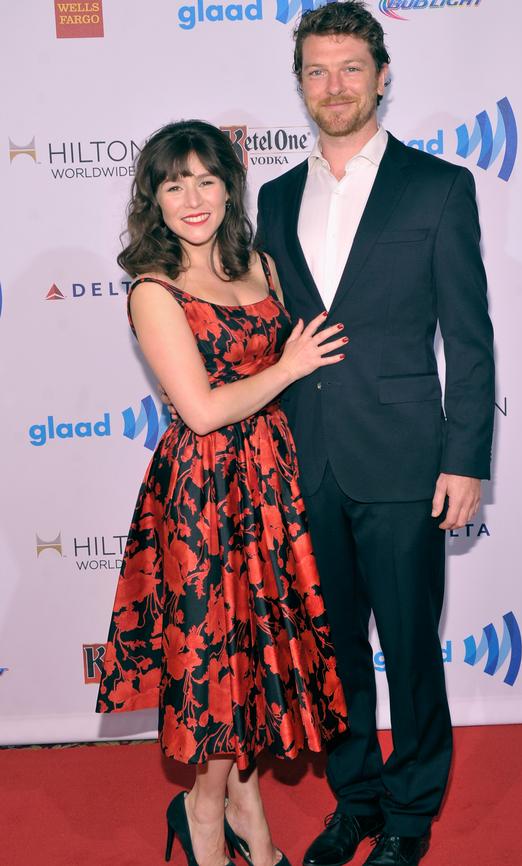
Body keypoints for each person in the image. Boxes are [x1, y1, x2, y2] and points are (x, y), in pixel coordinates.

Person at [254, 4, 495, 866]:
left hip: (402, 460)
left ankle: (410, 811)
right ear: (301, 84)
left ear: (383, 75)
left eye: (351, 68)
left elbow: (469, 338)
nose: (335, 86)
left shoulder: (438, 186)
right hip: (303, 457)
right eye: (317, 71)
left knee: (409, 644)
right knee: (330, 646)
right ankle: (355, 797)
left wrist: (466, 460)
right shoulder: (275, 197)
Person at [96, 119, 349, 866]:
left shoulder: (262, 266)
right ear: (155, 199)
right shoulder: (153, 290)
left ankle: (244, 803)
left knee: (254, 655)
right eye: (175, 183)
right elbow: (202, 410)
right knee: (214, 664)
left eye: (207, 179)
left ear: (229, 188)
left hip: (270, 484)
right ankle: (205, 816)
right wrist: (290, 366)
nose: (193, 197)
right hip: (203, 495)